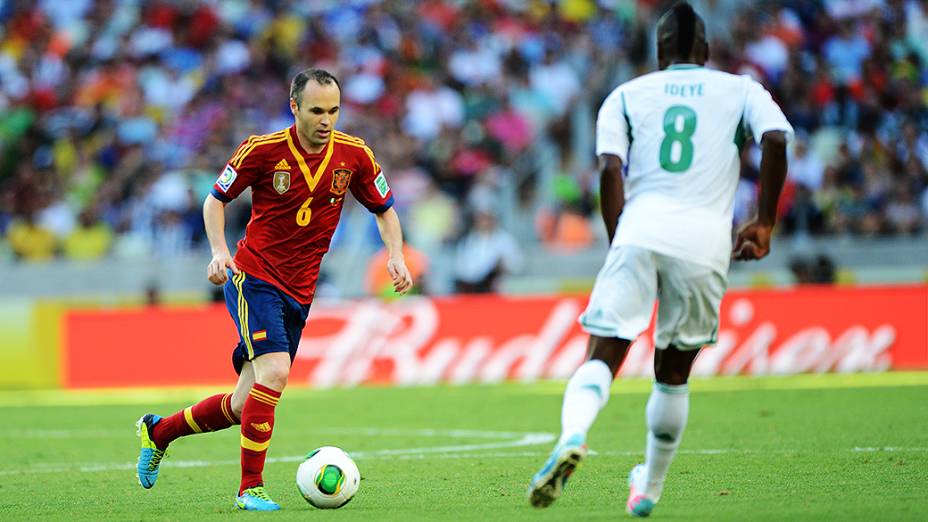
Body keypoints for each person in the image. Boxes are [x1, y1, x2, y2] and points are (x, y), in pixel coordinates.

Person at [527, 3, 791, 517]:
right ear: (707, 52)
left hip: (641, 228)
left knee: (602, 352)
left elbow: (609, 169)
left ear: (659, 51)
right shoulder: (740, 89)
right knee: (673, 374)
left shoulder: (626, 94)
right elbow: (777, 139)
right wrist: (764, 222)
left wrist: (618, 239)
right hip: (705, 239)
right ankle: (648, 487)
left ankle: (574, 435)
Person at [134, 68, 413, 511]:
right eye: (317, 110)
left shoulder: (355, 155)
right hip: (254, 277)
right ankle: (250, 489)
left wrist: (395, 255)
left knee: (245, 403)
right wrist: (218, 251)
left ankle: (159, 431)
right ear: (295, 107)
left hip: (301, 291)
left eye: (334, 110)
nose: (327, 120)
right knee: (277, 372)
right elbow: (215, 200)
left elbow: (385, 210)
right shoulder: (261, 151)